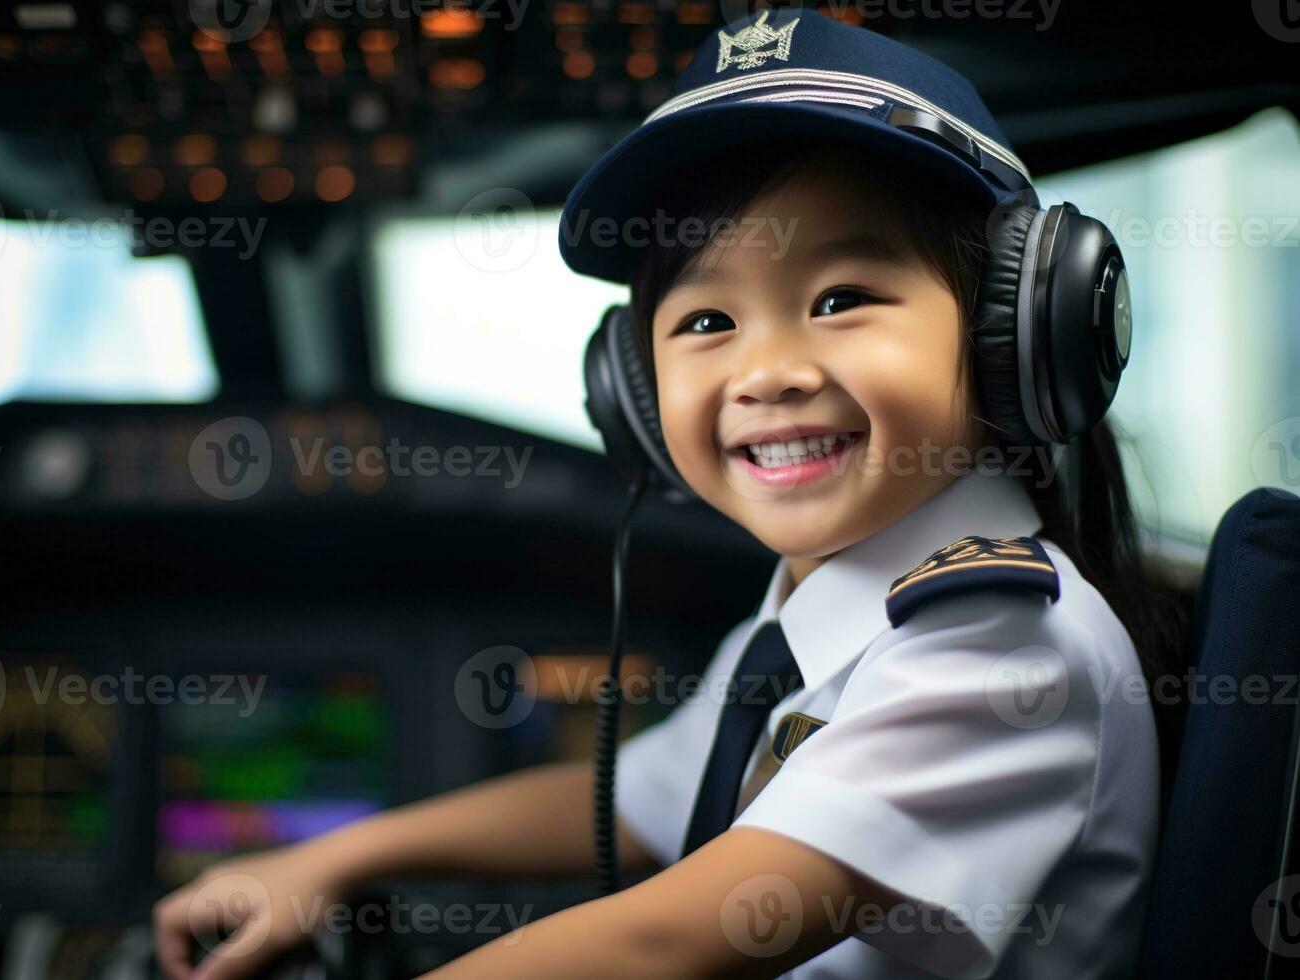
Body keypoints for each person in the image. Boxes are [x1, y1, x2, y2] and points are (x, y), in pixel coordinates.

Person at [153, 10, 1185, 978]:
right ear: (635, 392)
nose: (766, 370)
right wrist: (334, 858)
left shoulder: (998, 650)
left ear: (1019, 330)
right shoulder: (810, 616)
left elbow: (668, 939)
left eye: (840, 299)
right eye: (705, 321)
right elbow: (635, 801)